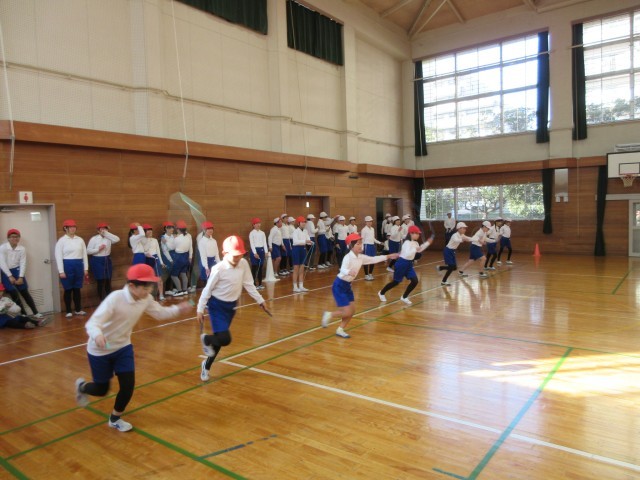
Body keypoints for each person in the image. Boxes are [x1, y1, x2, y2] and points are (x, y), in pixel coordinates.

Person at [74, 264, 191, 431]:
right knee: (102, 390)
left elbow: (160, 313)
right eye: (145, 287)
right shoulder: (115, 298)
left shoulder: (146, 299)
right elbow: (92, 323)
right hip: (100, 350)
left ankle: (115, 418)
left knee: (128, 385)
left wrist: (178, 309)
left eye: (150, 286)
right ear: (132, 286)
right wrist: (97, 335)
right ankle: (82, 387)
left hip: (123, 347)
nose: (149, 290)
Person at [198, 235, 271, 381]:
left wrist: (260, 300)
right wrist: (200, 309)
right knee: (224, 339)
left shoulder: (243, 264)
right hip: (217, 306)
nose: (238, 258)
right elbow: (207, 289)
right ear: (225, 253)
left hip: (231, 307)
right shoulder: (218, 269)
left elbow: (248, 284)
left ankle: (206, 366)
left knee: (219, 340)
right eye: (234, 255)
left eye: (240, 255)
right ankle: (206, 339)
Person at [321, 233, 398, 338]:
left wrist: (388, 256)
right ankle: (328, 314)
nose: (360, 245)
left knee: (352, 311)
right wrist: (349, 272)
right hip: (339, 285)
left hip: (348, 285)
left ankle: (340, 329)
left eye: (361, 243)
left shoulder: (361, 257)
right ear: (351, 246)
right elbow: (342, 269)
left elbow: (373, 259)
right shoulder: (348, 257)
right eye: (358, 244)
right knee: (347, 312)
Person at [378, 226, 433, 305]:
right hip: (402, 263)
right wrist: (415, 249)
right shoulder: (406, 243)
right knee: (396, 282)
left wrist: (427, 243)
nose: (418, 235)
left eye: (418, 234)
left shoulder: (416, 243)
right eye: (416, 233)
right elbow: (407, 254)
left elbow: (419, 249)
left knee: (415, 281)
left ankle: (404, 297)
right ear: (411, 234)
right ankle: (381, 292)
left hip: (409, 264)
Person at [0, 228, 43, 318]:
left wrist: (21, 277)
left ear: (19, 238)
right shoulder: (3, 248)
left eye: (17, 237)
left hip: (17, 271)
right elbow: (2, 263)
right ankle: (23, 314)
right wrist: (10, 276)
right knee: (13, 293)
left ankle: (36, 313)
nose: (15, 238)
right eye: (12, 237)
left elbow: (23, 263)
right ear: (8, 238)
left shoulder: (22, 249)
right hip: (6, 272)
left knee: (24, 292)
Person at [55, 219, 89, 318]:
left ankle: (78, 310)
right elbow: (58, 256)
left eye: (74, 227)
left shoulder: (80, 240)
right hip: (67, 266)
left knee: (77, 289)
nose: (73, 229)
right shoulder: (61, 241)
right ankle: (68, 311)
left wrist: (85, 268)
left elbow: (84, 254)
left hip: (78, 265)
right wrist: (61, 271)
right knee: (68, 289)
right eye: (70, 227)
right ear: (65, 228)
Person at [87, 222, 120, 301]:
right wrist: (98, 249)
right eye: (102, 229)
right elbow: (88, 251)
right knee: (100, 281)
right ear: (98, 231)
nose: (104, 230)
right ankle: (101, 300)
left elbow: (117, 239)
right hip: (97, 260)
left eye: (105, 229)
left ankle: (109, 300)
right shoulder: (94, 239)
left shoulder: (109, 238)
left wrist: (106, 234)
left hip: (107, 260)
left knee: (108, 280)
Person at [435, 222, 473, 286]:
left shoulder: (462, 235)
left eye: (465, 228)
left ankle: (440, 268)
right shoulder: (454, 235)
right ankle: (443, 281)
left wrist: (477, 239)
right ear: (459, 229)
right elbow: (456, 240)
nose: (465, 230)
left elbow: (469, 238)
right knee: (451, 267)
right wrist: (462, 239)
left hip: (452, 251)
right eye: (463, 228)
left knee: (454, 268)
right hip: (447, 251)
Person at [143, 225, 166, 300]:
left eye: (151, 230)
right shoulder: (142, 240)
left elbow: (158, 252)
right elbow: (143, 250)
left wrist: (161, 262)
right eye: (148, 230)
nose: (150, 231)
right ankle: (147, 296)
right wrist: (145, 253)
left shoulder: (155, 240)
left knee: (159, 278)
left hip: (155, 260)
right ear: (144, 232)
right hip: (147, 260)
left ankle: (161, 295)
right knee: (147, 279)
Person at [170, 220, 192, 296]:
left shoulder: (177, 238)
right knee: (183, 273)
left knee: (173, 275)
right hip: (186, 256)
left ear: (178, 229)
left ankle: (179, 291)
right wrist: (190, 256)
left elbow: (172, 247)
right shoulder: (188, 237)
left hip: (178, 257)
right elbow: (190, 248)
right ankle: (185, 290)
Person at [292, 216, 312, 293]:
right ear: (298, 223)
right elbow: (295, 241)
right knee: (296, 268)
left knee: (302, 268)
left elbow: (308, 239)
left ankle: (301, 286)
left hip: (303, 249)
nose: (304, 223)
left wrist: (310, 242)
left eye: (304, 222)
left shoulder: (306, 231)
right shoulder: (295, 231)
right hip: (296, 249)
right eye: (302, 222)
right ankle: (295, 287)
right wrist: (305, 241)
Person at [361, 215, 383, 280]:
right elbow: (362, 240)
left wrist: (379, 242)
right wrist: (362, 248)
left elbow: (373, 238)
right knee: (366, 260)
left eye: (370, 221)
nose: (369, 222)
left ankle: (370, 273)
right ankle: (366, 275)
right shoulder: (364, 230)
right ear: (365, 222)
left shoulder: (372, 229)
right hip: (366, 246)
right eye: (368, 221)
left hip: (372, 246)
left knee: (373, 260)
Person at [249, 218, 267, 290]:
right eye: (256, 223)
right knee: (254, 267)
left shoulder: (262, 233)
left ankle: (260, 283)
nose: (258, 225)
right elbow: (252, 243)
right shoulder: (251, 233)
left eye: (259, 223)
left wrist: (266, 251)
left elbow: (264, 242)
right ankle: (253, 284)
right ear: (253, 225)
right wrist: (255, 253)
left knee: (260, 267)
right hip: (255, 251)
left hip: (261, 250)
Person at [160, 221, 176, 294]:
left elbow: (175, 246)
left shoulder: (174, 236)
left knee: (174, 271)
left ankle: (174, 288)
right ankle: (167, 290)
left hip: (174, 254)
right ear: (166, 229)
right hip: (167, 256)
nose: (172, 229)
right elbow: (165, 250)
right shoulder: (163, 238)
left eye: (172, 227)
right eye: (170, 228)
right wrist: (170, 259)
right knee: (168, 273)